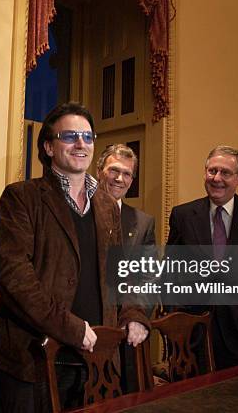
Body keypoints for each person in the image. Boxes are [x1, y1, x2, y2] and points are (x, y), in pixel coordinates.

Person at [0, 102, 149, 412]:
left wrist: (133, 314)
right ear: (48, 146)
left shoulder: (105, 204)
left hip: (96, 361)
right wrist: (74, 330)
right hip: (34, 360)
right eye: (70, 136)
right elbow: (15, 280)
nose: (81, 144)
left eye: (88, 137)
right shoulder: (21, 197)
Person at [166, 145, 238, 369]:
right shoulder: (182, 215)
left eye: (225, 173)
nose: (216, 178)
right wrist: (174, 316)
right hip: (191, 335)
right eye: (212, 171)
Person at [96, 143, 156, 392]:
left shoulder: (143, 222)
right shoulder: (80, 212)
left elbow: (149, 278)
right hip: (89, 334)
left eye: (128, 173)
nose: (120, 179)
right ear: (99, 170)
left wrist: (138, 318)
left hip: (128, 337)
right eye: (114, 170)